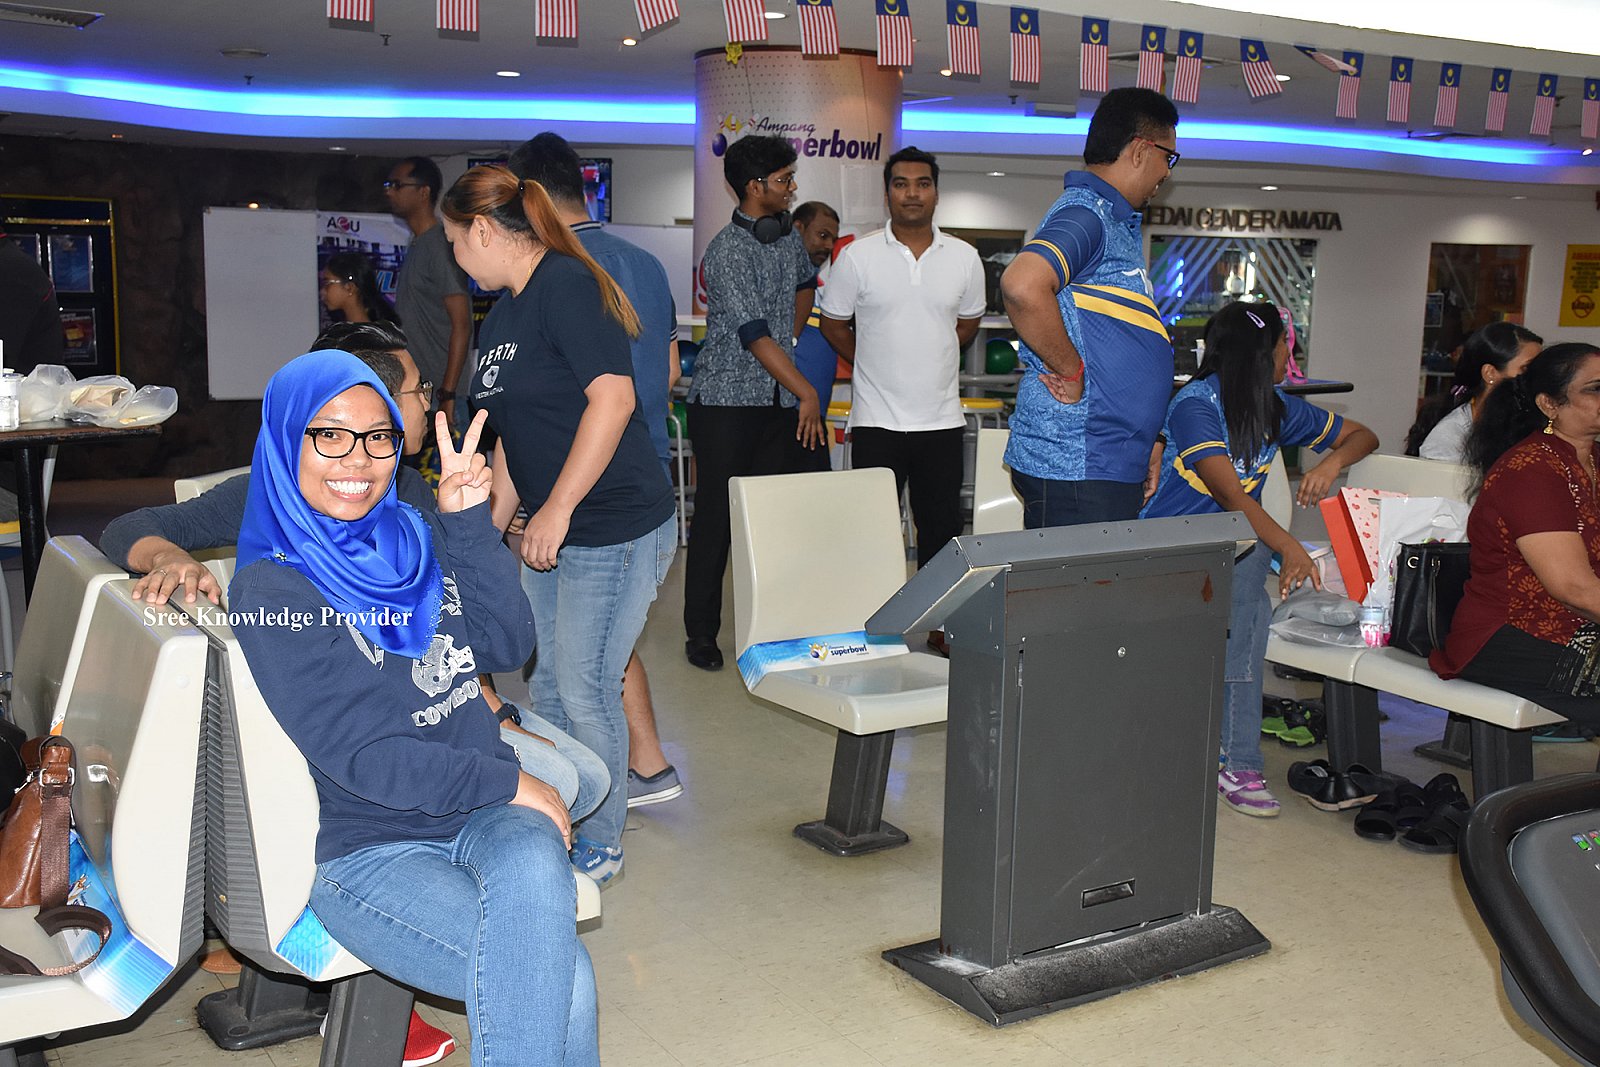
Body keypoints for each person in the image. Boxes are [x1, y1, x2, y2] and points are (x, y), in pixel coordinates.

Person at [228, 351, 596, 1066]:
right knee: (566, 977)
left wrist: (468, 525)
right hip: (374, 847)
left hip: (483, 813)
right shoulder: (273, 590)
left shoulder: (416, 534)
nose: (357, 458)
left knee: (547, 932)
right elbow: (366, 758)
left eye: (378, 436)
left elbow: (508, 642)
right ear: (285, 441)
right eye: (329, 435)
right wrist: (510, 781)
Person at [442, 164, 676, 886]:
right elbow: (515, 439)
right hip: (555, 529)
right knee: (546, 689)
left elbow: (614, 399)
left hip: (614, 523)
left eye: (456, 242)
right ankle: (565, 817)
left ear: (484, 230)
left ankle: (601, 842)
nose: (457, 258)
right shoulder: (504, 313)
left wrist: (559, 507)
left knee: (585, 686)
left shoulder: (568, 285)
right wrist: (485, 533)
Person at [506, 130, 684, 809]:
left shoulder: (552, 273)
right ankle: (644, 767)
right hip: (642, 478)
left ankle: (601, 807)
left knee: (582, 668)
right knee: (590, 656)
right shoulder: (644, 263)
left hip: (581, 490)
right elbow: (668, 370)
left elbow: (585, 399)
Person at [1143, 301, 1377, 816]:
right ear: (1262, 353)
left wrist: (1331, 465)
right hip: (1172, 549)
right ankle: (1207, 753)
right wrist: (1287, 545)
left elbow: (1363, 436)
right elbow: (1232, 496)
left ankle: (1238, 760)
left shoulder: (1273, 406)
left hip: (1237, 544)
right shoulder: (1195, 406)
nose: (1288, 355)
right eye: (1283, 345)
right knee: (1224, 627)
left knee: (1246, 626)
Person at [1000, 87, 1181, 527]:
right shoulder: (1088, 215)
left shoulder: (1113, 221)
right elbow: (1022, 285)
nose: (1166, 172)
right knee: (1077, 577)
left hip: (1107, 460)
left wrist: (1151, 437)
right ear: (1141, 150)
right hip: (1078, 462)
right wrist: (1070, 370)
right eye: (1169, 157)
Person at [683, 134, 826, 670]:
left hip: (776, 400)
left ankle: (774, 628)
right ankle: (701, 634)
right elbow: (753, 335)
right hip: (725, 402)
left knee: (777, 518)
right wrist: (805, 387)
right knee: (716, 519)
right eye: (784, 180)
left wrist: (793, 338)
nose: (792, 189)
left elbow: (806, 286)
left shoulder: (787, 239)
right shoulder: (726, 251)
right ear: (754, 186)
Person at [819, 145, 985, 587]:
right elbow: (833, 325)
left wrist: (933, 349)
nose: (912, 194)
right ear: (887, 194)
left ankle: (934, 620)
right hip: (876, 423)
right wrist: (871, 355)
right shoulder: (857, 257)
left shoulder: (965, 257)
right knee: (871, 535)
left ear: (936, 193)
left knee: (942, 534)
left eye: (922, 184)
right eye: (901, 184)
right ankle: (872, 616)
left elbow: (968, 323)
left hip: (941, 423)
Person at [1431, 343, 1600, 734]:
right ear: (1549, 404)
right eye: (1595, 389)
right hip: (1512, 635)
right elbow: (1573, 588)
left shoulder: (1592, 458)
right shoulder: (1531, 469)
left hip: (1580, 625)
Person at [387, 156, 473, 427]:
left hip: (442, 398)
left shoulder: (439, 246)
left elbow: (462, 324)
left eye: (397, 185)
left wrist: (448, 393)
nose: (389, 192)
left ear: (423, 192)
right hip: (421, 392)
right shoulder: (418, 244)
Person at [1406, 322, 1542, 461]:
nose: (1538, 378)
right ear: (1490, 373)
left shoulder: (1524, 424)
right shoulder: (1449, 439)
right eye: (1526, 369)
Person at [787, 200, 842, 474]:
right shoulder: (782, 281)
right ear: (798, 228)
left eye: (833, 239)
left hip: (813, 418)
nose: (828, 245)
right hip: (786, 415)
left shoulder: (826, 289)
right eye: (822, 235)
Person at [320, 250, 401, 326]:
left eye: (327, 283)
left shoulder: (367, 333)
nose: (322, 291)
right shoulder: (344, 329)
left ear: (349, 287)